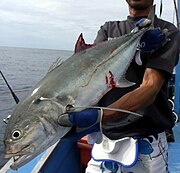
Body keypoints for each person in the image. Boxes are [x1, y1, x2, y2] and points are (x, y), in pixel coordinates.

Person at [59, 0, 180, 172]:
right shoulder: (108, 29)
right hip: (106, 140)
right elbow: (91, 71)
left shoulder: (166, 31)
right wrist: (135, 39)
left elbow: (150, 87)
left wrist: (100, 116)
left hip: (148, 140)